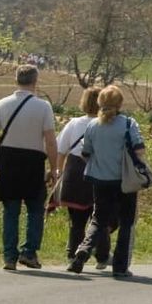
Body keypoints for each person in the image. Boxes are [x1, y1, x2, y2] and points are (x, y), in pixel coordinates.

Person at [0, 65, 58, 271]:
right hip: (33, 162)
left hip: (8, 162)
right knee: (35, 210)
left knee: (10, 211)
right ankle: (29, 252)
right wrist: (54, 167)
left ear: (16, 80)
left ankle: (9, 257)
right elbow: (50, 141)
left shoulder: (3, 104)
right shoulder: (43, 107)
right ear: (35, 81)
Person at [67, 85, 146, 278]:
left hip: (100, 180)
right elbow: (139, 149)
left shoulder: (93, 126)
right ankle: (120, 267)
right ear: (119, 104)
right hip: (124, 180)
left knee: (98, 219)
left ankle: (83, 251)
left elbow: (85, 153)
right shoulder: (128, 124)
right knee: (126, 222)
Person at [54, 86, 109, 269]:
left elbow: (61, 150)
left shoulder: (74, 123)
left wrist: (58, 172)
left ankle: (72, 254)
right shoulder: (107, 125)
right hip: (99, 172)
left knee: (76, 220)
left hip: (75, 173)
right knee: (100, 217)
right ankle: (101, 257)